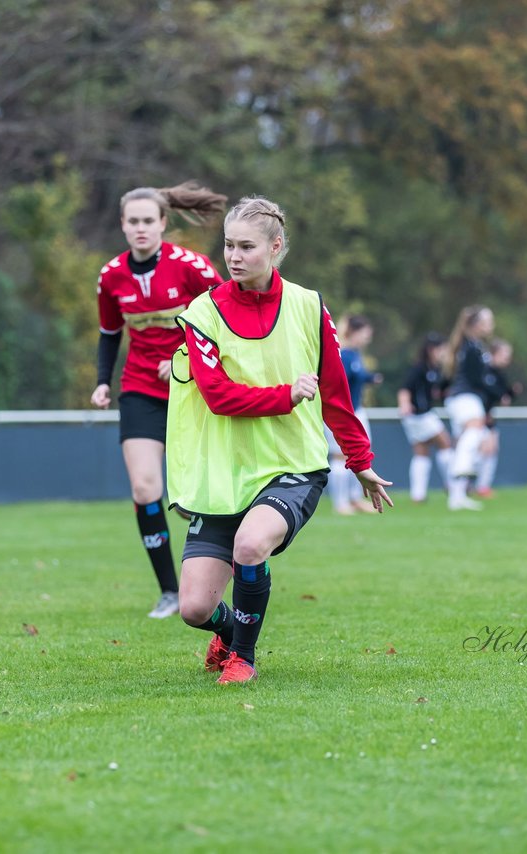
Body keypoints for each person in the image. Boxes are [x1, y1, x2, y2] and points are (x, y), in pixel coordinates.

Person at [167, 196, 394, 684]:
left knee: (251, 545)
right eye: (228, 245)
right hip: (225, 474)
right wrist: (286, 394)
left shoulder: (309, 306)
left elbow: (336, 392)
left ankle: (243, 657)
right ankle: (229, 633)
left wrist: (360, 461)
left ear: (275, 248)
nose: (234, 256)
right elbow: (218, 397)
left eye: (247, 246)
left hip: (292, 465)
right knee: (192, 608)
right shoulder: (202, 313)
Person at [90, 182, 227, 619]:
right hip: (140, 389)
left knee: (209, 492)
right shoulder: (111, 276)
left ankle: (224, 578)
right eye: (133, 221)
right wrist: (101, 381)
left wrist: (187, 359)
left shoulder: (193, 267)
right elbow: (110, 333)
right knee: (145, 486)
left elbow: (227, 317)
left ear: (164, 224)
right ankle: (170, 591)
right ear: (123, 226)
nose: (141, 228)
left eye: (149, 220)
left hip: (195, 392)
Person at [439, 305, 497, 511]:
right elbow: (477, 379)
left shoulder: (473, 345)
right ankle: (461, 467)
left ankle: (457, 497)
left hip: (464, 399)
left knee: (469, 442)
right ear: (476, 325)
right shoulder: (471, 347)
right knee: (474, 431)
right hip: (465, 398)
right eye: (487, 321)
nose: (491, 325)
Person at [327, 314, 383, 514]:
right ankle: (340, 503)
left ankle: (354, 499)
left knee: (360, 454)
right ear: (354, 332)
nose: (367, 338)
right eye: (365, 333)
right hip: (342, 413)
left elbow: (356, 377)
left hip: (357, 411)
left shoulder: (355, 355)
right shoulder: (342, 354)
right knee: (340, 456)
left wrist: (371, 378)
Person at [397, 333, 453, 503]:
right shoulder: (419, 368)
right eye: (440, 349)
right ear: (431, 350)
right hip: (419, 415)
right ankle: (452, 483)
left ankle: (418, 495)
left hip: (421, 415)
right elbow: (404, 389)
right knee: (445, 442)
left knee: (421, 453)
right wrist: (404, 404)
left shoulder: (434, 370)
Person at [473, 338, 520, 499]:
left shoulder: (498, 373)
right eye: (505, 354)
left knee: (490, 449)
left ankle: (480, 486)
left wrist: (511, 393)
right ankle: (471, 485)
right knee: (480, 450)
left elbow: (503, 397)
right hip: (476, 416)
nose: (508, 358)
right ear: (494, 353)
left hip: (487, 415)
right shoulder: (482, 370)